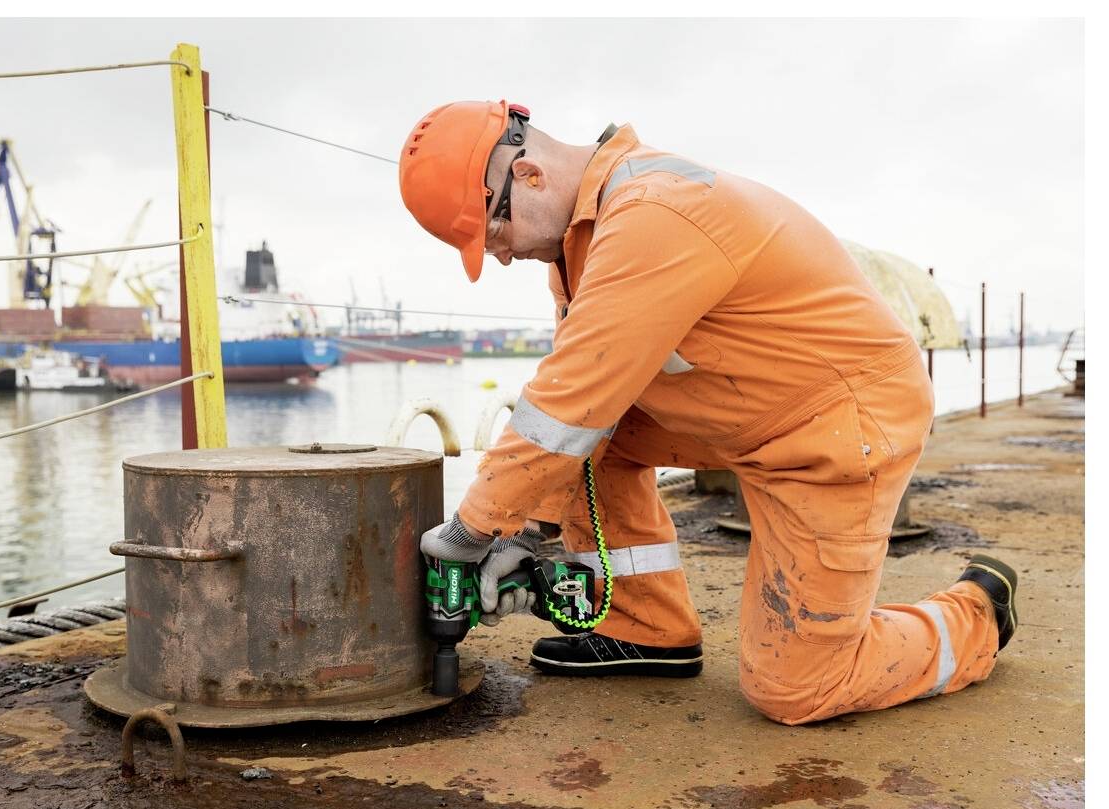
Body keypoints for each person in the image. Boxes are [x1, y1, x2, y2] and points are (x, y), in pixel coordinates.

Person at [398, 100, 1018, 725]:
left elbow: (567, 402)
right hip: (752, 408)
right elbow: (575, 406)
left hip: (837, 425)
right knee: (589, 440)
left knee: (798, 689)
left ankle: (975, 614)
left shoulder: (653, 214)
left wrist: (471, 533)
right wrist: (530, 529)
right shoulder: (578, 245)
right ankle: (644, 626)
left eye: (494, 233)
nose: (501, 256)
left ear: (527, 176)